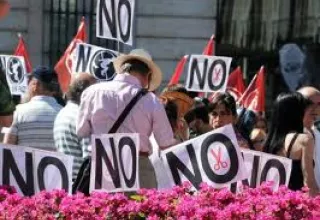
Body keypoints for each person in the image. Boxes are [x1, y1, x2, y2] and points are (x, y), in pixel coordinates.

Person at [77, 49, 176, 189]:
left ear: (121, 70)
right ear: (148, 76)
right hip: (138, 166)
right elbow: (165, 143)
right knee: (140, 210)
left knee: (103, 209)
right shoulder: (152, 101)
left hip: (102, 164)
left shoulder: (92, 92)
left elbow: (81, 131)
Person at [263, 92, 318, 196]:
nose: (310, 112)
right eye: (305, 109)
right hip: (295, 206)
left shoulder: (268, 141)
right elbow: (309, 182)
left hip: (271, 204)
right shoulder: (304, 140)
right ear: (297, 113)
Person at [3, 67, 62, 151]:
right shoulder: (64, 113)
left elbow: (7, 148)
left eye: (29, 82)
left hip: (24, 164)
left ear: (35, 85)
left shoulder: (18, 112)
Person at [54, 73, 96, 181]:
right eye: (95, 90)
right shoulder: (81, 116)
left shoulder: (62, 113)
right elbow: (90, 159)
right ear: (85, 93)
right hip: (81, 185)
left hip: (67, 181)